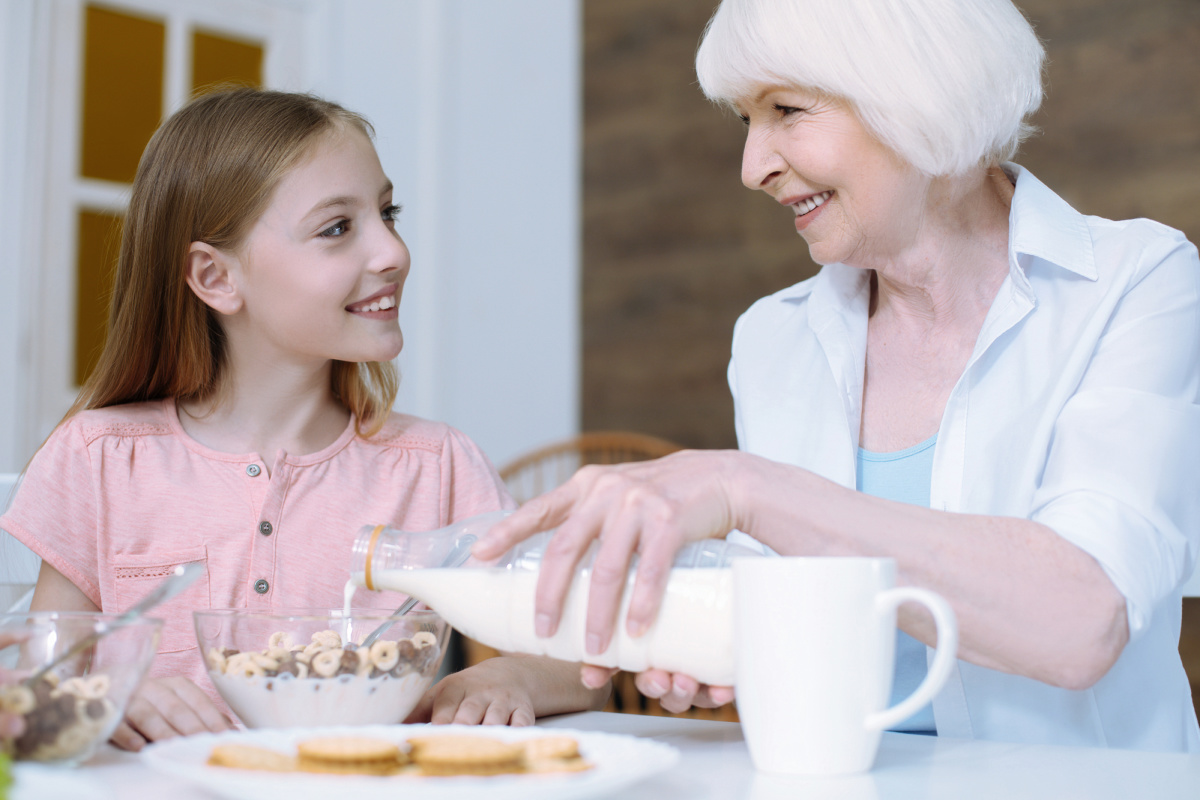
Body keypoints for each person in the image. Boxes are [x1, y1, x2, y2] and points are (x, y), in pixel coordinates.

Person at [475, 0, 1200, 752]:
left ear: (920, 92)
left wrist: (748, 489)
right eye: (745, 122)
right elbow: (793, 610)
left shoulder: (1136, 283)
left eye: (787, 110)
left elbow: (1081, 619)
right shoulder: (771, 339)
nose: (753, 168)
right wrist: (712, 641)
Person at [0, 89, 607, 751]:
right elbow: (38, 684)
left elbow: (582, 663)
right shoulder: (99, 458)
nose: (393, 252)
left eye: (387, 212)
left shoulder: (437, 468)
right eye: (337, 228)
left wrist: (511, 678)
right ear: (215, 277)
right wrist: (111, 696)